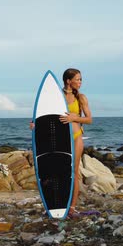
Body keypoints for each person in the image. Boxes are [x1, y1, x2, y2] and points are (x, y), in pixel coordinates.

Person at [31, 68, 93, 217]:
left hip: (76, 137)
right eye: (77, 79)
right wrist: (35, 125)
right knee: (56, 171)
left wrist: (74, 118)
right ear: (68, 81)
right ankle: (57, 204)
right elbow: (46, 116)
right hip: (59, 140)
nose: (80, 82)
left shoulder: (81, 98)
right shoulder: (56, 97)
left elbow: (89, 119)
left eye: (80, 79)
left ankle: (71, 208)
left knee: (73, 172)